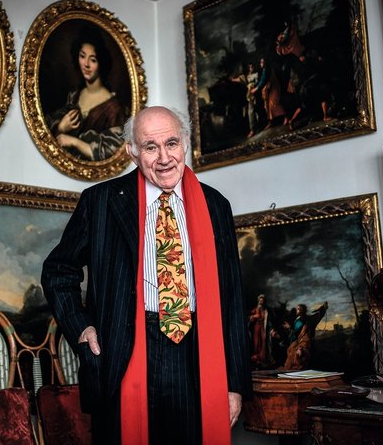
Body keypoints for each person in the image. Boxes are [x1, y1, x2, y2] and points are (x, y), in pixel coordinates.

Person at [41, 106, 252, 444]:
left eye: (172, 143)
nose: (164, 158)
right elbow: (58, 270)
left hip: (197, 352)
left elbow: (232, 298)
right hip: (125, 351)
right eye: (151, 147)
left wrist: (235, 385)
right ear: (133, 152)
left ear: (185, 143)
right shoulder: (100, 202)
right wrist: (81, 326)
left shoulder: (216, 206)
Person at [47, 27, 126, 161]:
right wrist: (60, 128)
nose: (86, 64)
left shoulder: (114, 108)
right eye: (82, 56)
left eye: (93, 60)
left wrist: (74, 142)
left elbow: (111, 152)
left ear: (101, 63)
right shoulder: (74, 95)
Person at [282, 302, 328, 370]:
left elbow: (296, 332)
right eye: (297, 309)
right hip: (300, 341)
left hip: (304, 342)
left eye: (298, 309)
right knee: (290, 350)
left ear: (301, 310)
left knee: (296, 354)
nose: (297, 310)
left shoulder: (302, 320)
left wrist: (289, 327)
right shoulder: (300, 319)